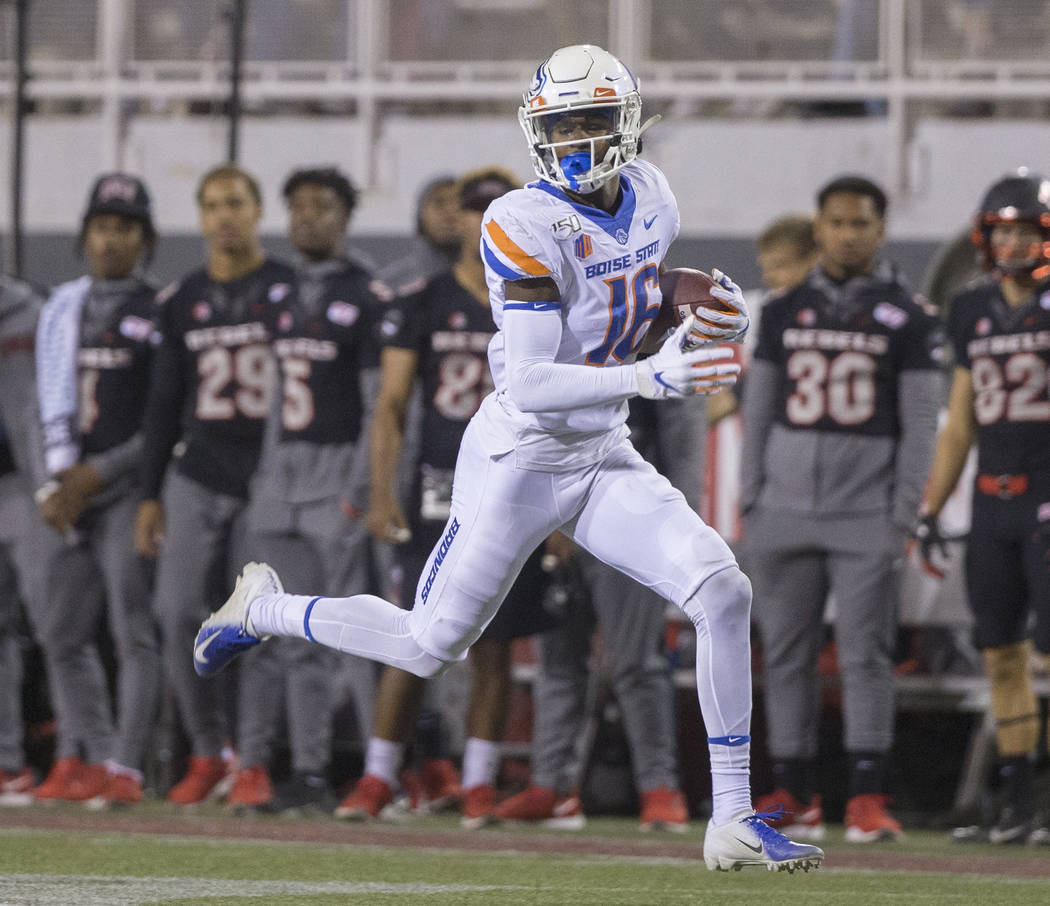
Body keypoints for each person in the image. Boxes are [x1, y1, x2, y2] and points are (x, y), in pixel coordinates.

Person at [195, 44, 823, 873]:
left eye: (591, 122)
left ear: (625, 125)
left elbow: (636, 287)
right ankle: (262, 608)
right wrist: (652, 373)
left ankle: (733, 818)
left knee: (722, 588)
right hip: (520, 460)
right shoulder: (516, 220)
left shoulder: (652, 197)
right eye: (559, 125)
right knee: (428, 645)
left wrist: (699, 299)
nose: (574, 140)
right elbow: (527, 381)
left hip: (600, 451)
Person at [337, 167, 558, 829]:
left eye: (501, 207)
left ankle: (480, 781)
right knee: (414, 633)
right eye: (476, 208)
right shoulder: (423, 300)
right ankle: (378, 775)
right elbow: (392, 406)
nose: (487, 218)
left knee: (494, 643)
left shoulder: (548, 303)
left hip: (513, 491)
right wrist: (381, 492)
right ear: (458, 219)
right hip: (436, 487)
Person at [742, 175, 943, 842]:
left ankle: (865, 794)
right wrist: (752, 500)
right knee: (787, 657)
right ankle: (795, 791)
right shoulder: (781, 310)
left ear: (880, 230)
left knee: (866, 656)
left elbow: (920, 428)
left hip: (865, 514)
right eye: (836, 222)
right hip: (784, 508)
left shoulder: (909, 316)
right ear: (819, 227)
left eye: (860, 223)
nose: (848, 234)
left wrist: (901, 515)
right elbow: (759, 412)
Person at [134, 164, 297, 806]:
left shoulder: (288, 288)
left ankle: (252, 760)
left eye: (235, 203)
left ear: (257, 211)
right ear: (199, 218)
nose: (223, 216)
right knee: (174, 612)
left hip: (267, 471)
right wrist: (149, 494)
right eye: (211, 205)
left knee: (257, 617)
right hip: (197, 471)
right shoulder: (179, 300)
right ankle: (208, 749)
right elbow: (161, 404)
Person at [227, 166, 383, 813]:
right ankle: (281, 767)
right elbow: (268, 405)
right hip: (279, 481)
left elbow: (380, 405)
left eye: (323, 207)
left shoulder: (368, 293)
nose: (308, 219)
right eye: (298, 208)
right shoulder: (275, 294)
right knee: (270, 630)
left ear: (346, 218)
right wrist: (263, 473)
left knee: (345, 634)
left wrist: (359, 489)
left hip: (332, 484)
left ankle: (376, 772)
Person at [914, 169, 1050, 846]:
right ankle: (1018, 800)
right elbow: (961, 421)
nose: (1016, 244)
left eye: (1027, 230)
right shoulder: (969, 308)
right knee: (1001, 655)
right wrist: (933, 508)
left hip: (1047, 493)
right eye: (1005, 232)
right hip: (996, 502)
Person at [494, 394, 702, 833]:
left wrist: (678, 514)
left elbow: (681, 426)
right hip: (552, 506)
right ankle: (551, 786)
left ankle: (659, 787)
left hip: (629, 509)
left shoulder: (643, 332)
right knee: (559, 659)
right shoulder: (545, 331)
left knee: (636, 662)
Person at [29, 174, 162, 806]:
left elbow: (165, 419)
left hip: (125, 490)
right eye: (102, 226)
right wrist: (55, 481)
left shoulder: (158, 309)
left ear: (145, 238)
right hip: (66, 488)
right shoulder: (60, 309)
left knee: (131, 628)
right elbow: (36, 405)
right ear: (85, 235)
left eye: (124, 227)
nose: (110, 239)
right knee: (61, 632)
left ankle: (127, 766)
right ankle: (89, 753)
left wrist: (97, 473)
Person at [0, 273, 53, 805]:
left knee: (52, 622)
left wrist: (49, 481)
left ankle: (80, 757)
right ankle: (5, 760)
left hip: (25, 484)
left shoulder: (31, 312)